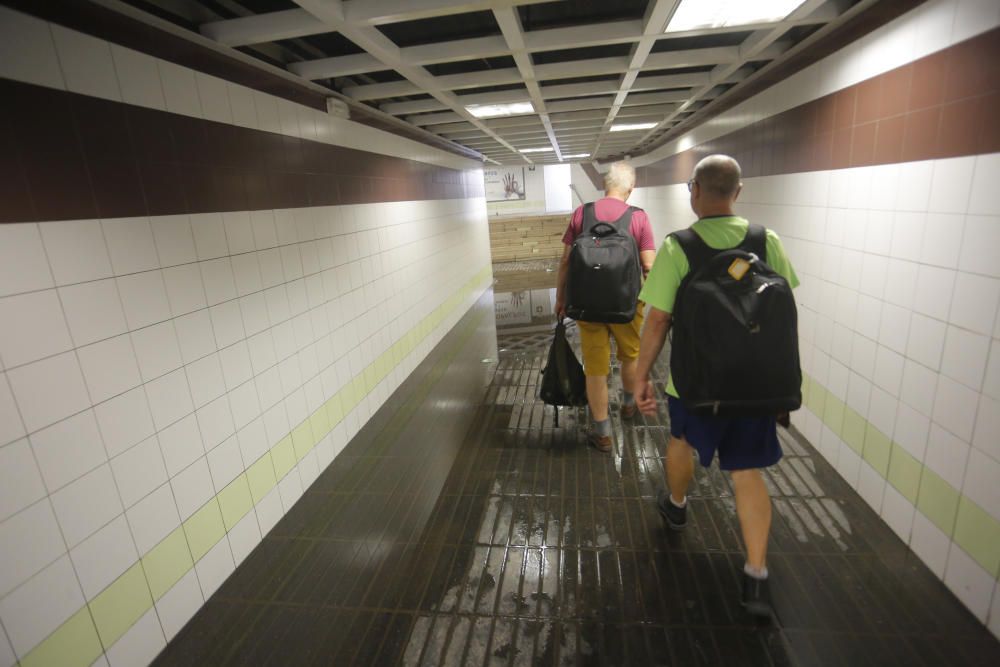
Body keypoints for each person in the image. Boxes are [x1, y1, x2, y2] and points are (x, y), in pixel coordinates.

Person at [633, 154, 799, 616]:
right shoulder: (767, 241)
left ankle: (678, 504)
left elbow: (658, 318)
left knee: (682, 442)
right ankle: (757, 578)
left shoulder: (677, 247)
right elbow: (783, 312)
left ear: (695, 192)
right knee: (747, 475)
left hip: (695, 384)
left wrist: (642, 375)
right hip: (756, 387)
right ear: (738, 192)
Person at [555, 161, 656, 452]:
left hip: (587, 305)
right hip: (627, 305)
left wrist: (561, 298)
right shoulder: (638, 218)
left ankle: (602, 433)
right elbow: (648, 266)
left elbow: (564, 261)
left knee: (596, 369)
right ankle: (627, 404)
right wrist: (653, 303)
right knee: (630, 356)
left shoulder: (581, 214)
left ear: (604, 185)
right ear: (630, 189)